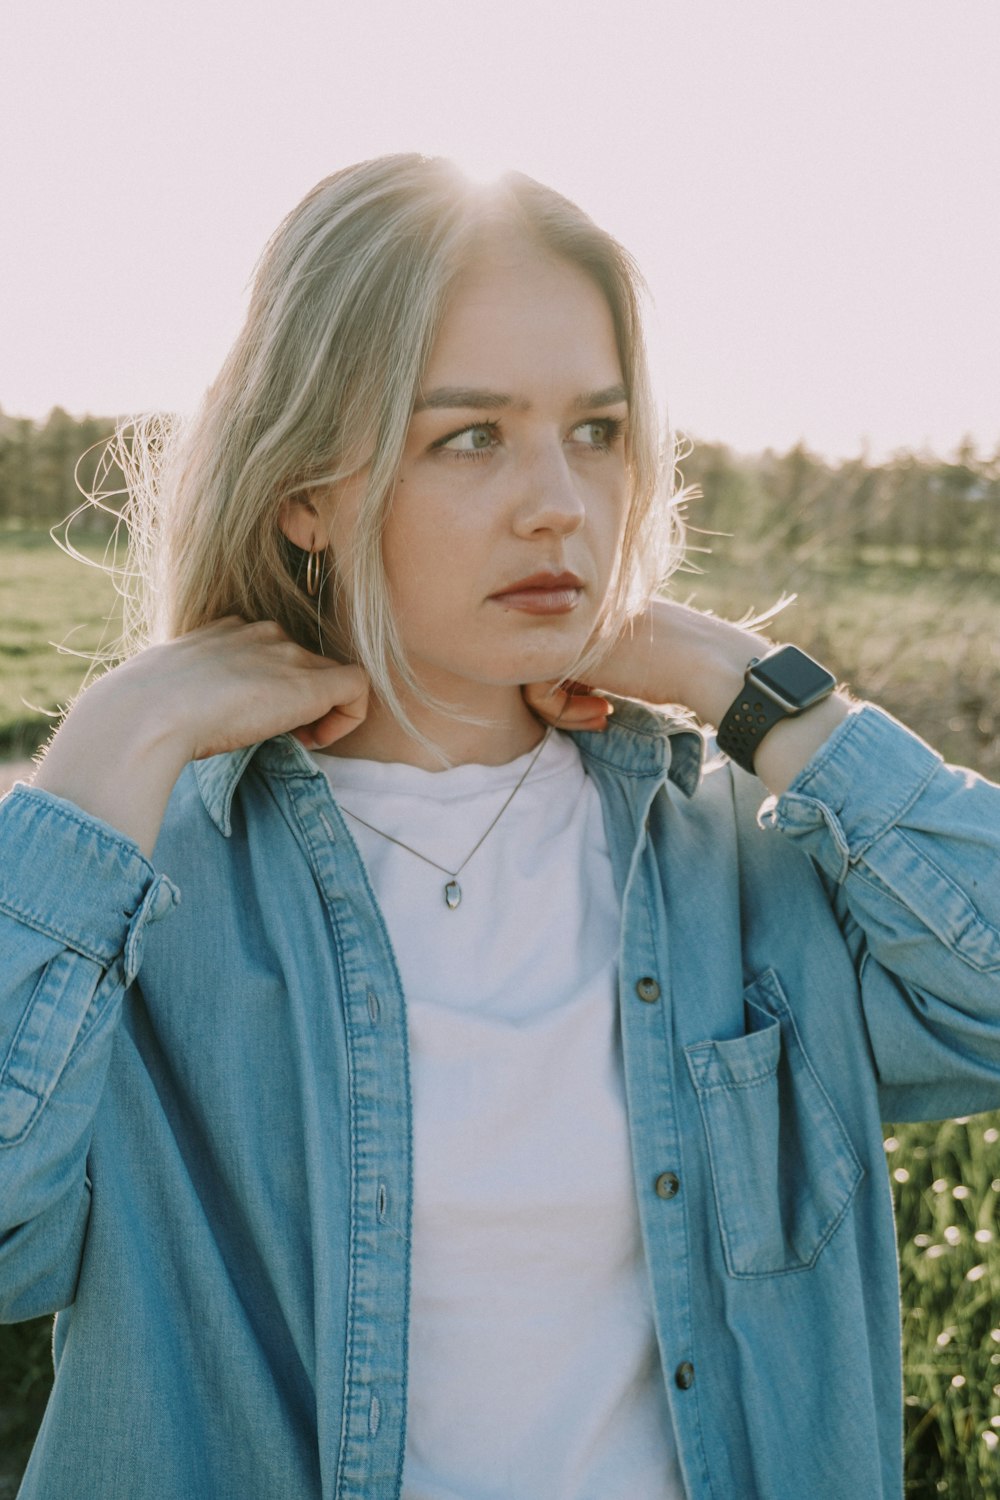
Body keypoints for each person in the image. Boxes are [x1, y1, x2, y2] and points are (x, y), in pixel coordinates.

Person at [0, 154, 998, 1500]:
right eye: (469, 436)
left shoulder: (740, 860)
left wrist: (751, 689)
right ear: (308, 488)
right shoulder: (151, 889)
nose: (560, 503)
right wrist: (114, 742)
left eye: (596, 431)